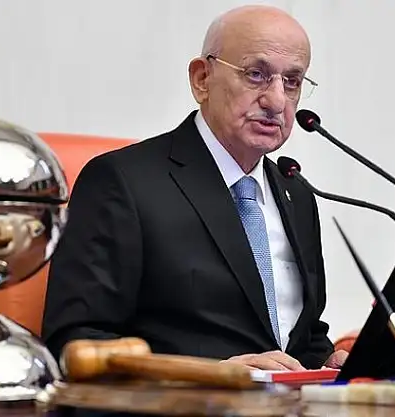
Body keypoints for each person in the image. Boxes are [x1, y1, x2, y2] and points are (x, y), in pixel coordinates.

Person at [42, 5, 346, 371]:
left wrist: (330, 362)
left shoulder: (296, 193)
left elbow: (302, 338)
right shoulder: (122, 182)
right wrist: (210, 375)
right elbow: (77, 342)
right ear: (202, 79)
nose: (277, 101)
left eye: (292, 81)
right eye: (256, 75)